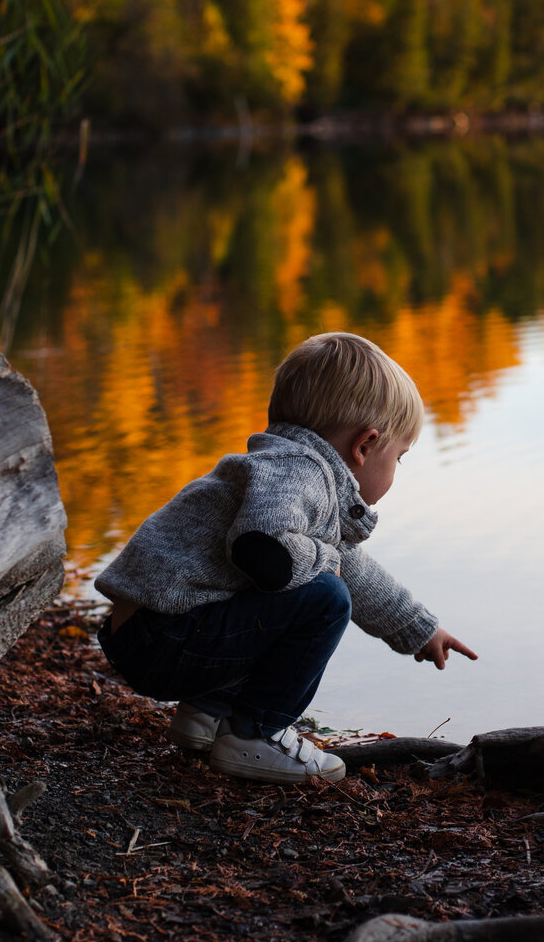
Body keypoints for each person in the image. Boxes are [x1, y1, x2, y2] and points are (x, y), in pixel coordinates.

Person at [95, 331, 477, 784]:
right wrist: (325, 559)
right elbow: (263, 550)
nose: (396, 469)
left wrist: (419, 628)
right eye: (400, 457)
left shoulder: (280, 465)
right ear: (365, 446)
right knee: (325, 597)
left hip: (146, 635)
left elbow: (348, 565)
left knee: (307, 584)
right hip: (167, 639)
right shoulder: (301, 471)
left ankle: (206, 713)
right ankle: (256, 736)